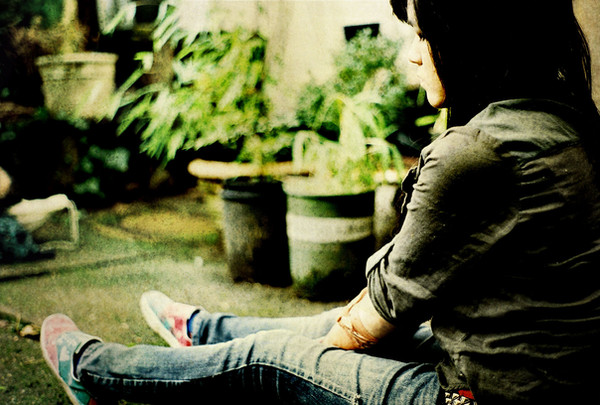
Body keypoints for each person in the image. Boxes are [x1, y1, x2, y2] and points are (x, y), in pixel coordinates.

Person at [40, 0, 600, 403]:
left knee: (274, 359)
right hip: (541, 374)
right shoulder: (564, 122)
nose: (411, 55)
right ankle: (204, 332)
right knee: (335, 324)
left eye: (421, 34)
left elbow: (371, 323)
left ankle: (91, 368)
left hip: (478, 394)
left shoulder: (478, 152)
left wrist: (309, 365)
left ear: (472, 41)